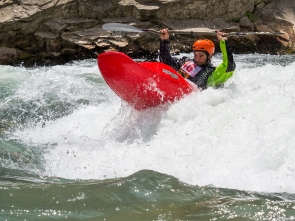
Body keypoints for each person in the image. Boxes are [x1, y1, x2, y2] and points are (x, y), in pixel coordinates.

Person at [159, 28, 236, 90]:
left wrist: (223, 42)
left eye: (201, 56)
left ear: (210, 56)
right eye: (195, 54)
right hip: (175, 89)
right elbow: (165, 61)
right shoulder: (185, 61)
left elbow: (229, 66)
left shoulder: (212, 73)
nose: (197, 58)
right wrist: (164, 40)